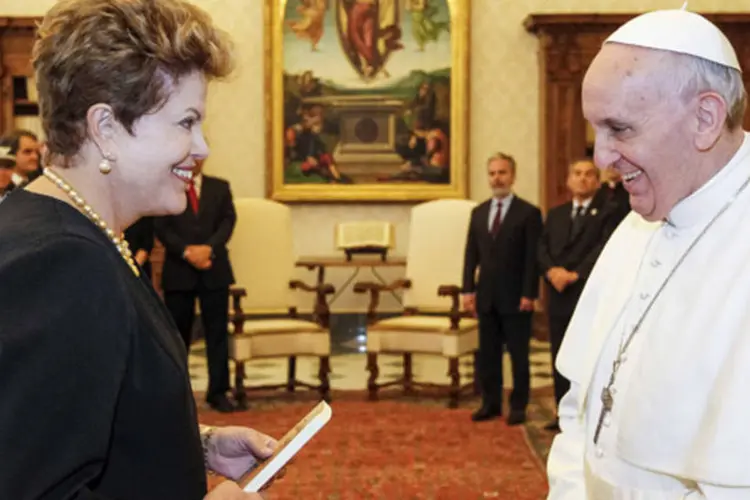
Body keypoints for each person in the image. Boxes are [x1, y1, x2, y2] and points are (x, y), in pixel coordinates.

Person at [0, 0, 277, 498]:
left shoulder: (74, 234)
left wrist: (198, 444)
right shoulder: (63, 263)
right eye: (185, 121)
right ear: (105, 129)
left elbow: (66, 426)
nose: (203, 148)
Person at [547, 8, 750, 499]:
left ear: (705, 117)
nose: (600, 159)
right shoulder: (637, 225)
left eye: (620, 129)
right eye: (596, 130)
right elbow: (581, 410)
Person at [462, 152, 542, 425]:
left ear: (513, 176)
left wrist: (529, 294)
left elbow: (533, 258)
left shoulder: (529, 213)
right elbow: (471, 254)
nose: (497, 178)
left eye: (502, 173)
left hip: (517, 297)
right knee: (488, 355)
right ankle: (490, 403)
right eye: (493, 173)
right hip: (486, 297)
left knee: (519, 355)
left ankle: (518, 405)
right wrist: (467, 291)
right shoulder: (479, 212)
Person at [537, 158, 617, 432]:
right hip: (557, 294)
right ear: (569, 180)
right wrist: (551, 271)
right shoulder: (556, 213)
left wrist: (575, 274)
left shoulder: (608, 212)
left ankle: (585, 414)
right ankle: (562, 413)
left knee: (585, 354)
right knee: (559, 352)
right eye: (577, 174)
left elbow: (603, 249)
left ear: (597, 181)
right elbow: (542, 247)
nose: (583, 179)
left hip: (586, 293)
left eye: (589, 174)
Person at [155, 157, 238, 413]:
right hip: (180, 270)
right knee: (178, 337)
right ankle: (176, 395)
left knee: (217, 334)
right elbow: (161, 226)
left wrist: (208, 249)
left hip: (214, 269)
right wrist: (187, 252)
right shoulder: (168, 185)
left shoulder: (219, 187)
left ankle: (219, 392)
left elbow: (228, 221)